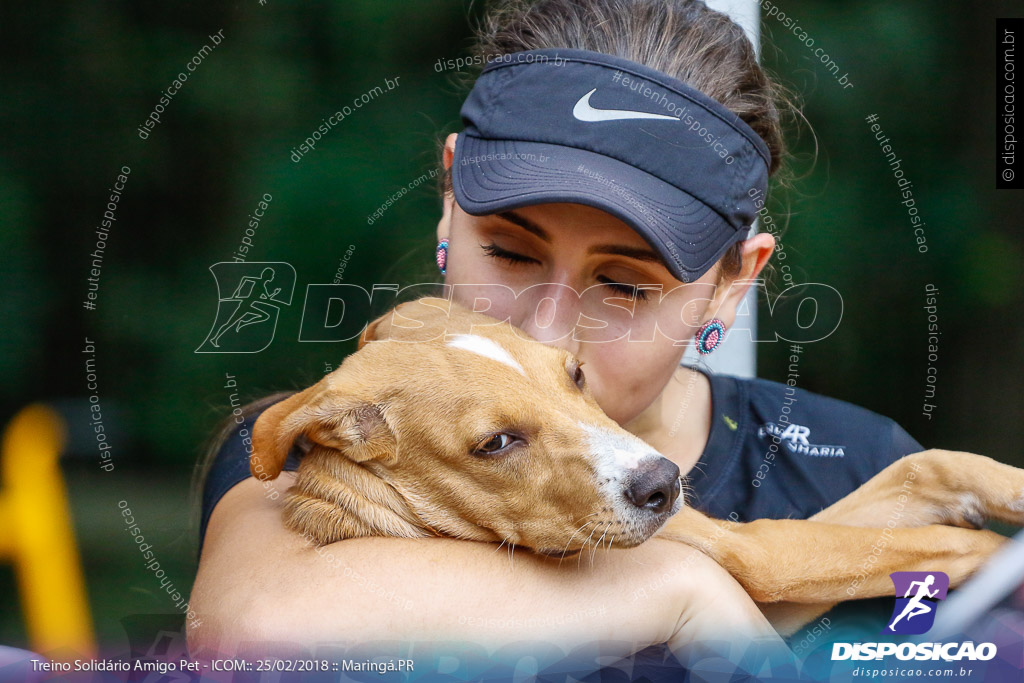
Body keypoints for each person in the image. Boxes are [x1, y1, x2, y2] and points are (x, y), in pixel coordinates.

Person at [188, 0, 922, 665]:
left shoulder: (865, 470)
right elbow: (249, 626)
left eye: (626, 285)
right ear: (449, 199)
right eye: (510, 252)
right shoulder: (333, 453)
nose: (546, 328)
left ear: (732, 285)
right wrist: (675, 582)